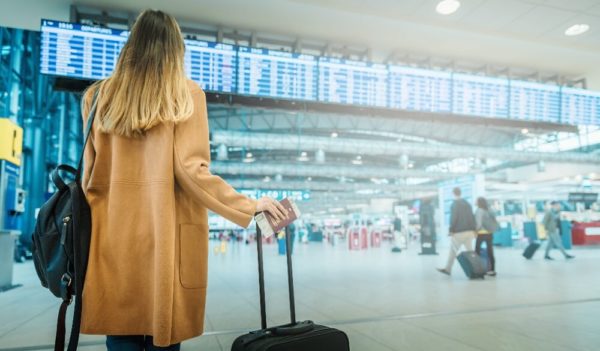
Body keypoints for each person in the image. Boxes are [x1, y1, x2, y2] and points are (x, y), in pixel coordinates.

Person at [79, 10, 287, 351]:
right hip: (165, 241)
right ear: (177, 51)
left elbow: (90, 179)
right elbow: (192, 172)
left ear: (131, 46)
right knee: (164, 330)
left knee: (120, 332)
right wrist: (250, 205)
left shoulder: (97, 98)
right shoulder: (185, 95)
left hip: (112, 241)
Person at [437, 187, 476, 275]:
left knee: (453, 251)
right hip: (469, 232)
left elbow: (454, 218)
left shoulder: (455, 204)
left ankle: (448, 269)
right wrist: (474, 230)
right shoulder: (467, 204)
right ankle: (476, 268)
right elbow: (472, 217)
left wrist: (451, 230)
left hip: (459, 232)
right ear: (460, 193)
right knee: (470, 252)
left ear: (453, 193)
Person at [474, 197, 497, 276]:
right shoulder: (489, 209)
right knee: (490, 251)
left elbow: (479, 223)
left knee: (477, 251)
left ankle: (478, 269)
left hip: (481, 233)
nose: (475, 202)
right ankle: (492, 270)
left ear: (479, 202)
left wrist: (475, 231)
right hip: (489, 233)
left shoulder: (479, 210)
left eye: (476, 201)